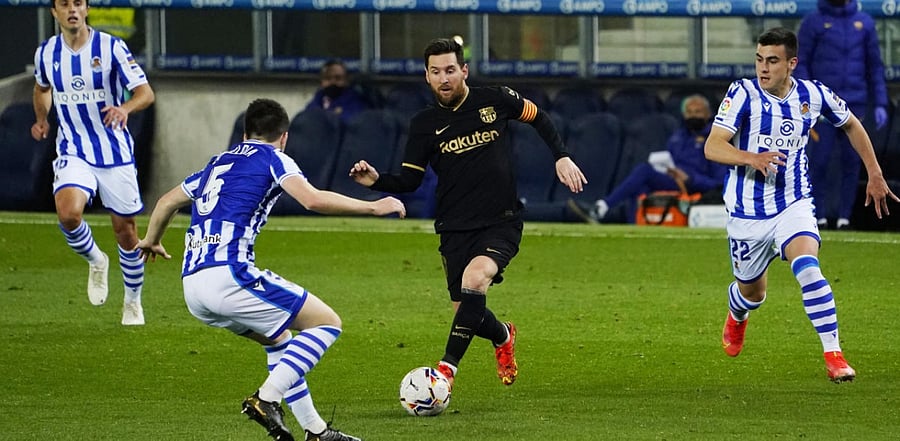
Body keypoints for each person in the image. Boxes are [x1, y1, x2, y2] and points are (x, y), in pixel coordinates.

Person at [135, 98, 405, 441]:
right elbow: (311, 199)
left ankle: (316, 431)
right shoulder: (275, 158)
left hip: (192, 287)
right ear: (284, 137)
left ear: (244, 132)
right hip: (229, 275)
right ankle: (266, 398)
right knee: (327, 323)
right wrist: (373, 207)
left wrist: (151, 240)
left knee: (278, 340)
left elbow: (166, 202)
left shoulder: (217, 163)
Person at [349, 37, 587, 390]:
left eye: (450, 70)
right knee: (467, 312)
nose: (443, 78)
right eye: (435, 72)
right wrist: (376, 181)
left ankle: (444, 373)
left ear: (464, 70)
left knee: (475, 281)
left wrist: (561, 156)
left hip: (501, 220)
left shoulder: (495, 100)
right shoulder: (424, 124)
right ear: (427, 76)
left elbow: (538, 117)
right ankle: (503, 335)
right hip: (454, 226)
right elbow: (410, 180)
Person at [704, 27, 898, 383]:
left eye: (772, 61)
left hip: (793, 203)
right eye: (759, 60)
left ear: (791, 64)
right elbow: (713, 146)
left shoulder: (813, 94)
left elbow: (852, 124)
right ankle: (738, 312)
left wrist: (874, 172)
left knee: (808, 267)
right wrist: (752, 158)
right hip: (747, 213)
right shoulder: (742, 93)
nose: (763, 68)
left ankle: (834, 355)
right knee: (753, 293)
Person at [31, 0, 155, 325]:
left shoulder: (111, 48)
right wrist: (41, 119)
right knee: (68, 215)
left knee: (125, 231)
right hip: (73, 149)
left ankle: (132, 302)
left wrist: (125, 108)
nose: (72, 9)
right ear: (54, 12)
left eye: (78, 3)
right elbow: (42, 88)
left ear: (86, 10)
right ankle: (96, 259)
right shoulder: (46, 53)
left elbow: (145, 93)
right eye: (64, 4)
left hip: (114, 151)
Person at [795, 0, 890, 230]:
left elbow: (874, 66)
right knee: (818, 161)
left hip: (855, 104)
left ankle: (845, 218)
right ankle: (818, 216)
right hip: (822, 107)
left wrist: (881, 102)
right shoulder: (812, 22)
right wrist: (808, 99)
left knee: (852, 162)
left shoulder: (864, 23)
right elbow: (801, 63)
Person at [568, 94, 727, 223]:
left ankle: (601, 208)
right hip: (673, 182)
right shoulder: (678, 137)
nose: (693, 116)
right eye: (689, 112)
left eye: (698, 112)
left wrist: (690, 178)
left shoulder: (714, 139)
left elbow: (719, 183)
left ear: (708, 114)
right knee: (640, 186)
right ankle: (635, 229)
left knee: (644, 171)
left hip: (696, 187)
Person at [304, 59, 370, 123]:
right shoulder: (317, 99)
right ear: (322, 81)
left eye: (338, 78)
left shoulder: (356, 101)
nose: (333, 82)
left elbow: (352, 121)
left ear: (346, 80)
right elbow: (307, 120)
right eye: (328, 78)